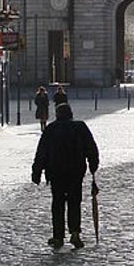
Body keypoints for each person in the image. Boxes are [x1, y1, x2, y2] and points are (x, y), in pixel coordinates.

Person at [31, 102, 99, 250]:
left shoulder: (51, 129)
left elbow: (42, 152)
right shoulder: (80, 127)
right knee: (75, 201)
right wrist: (93, 166)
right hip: (76, 171)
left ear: (57, 115)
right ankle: (75, 233)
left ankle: (58, 236)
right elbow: (91, 148)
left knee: (58, 204)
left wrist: (36, 172)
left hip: (56, 172)